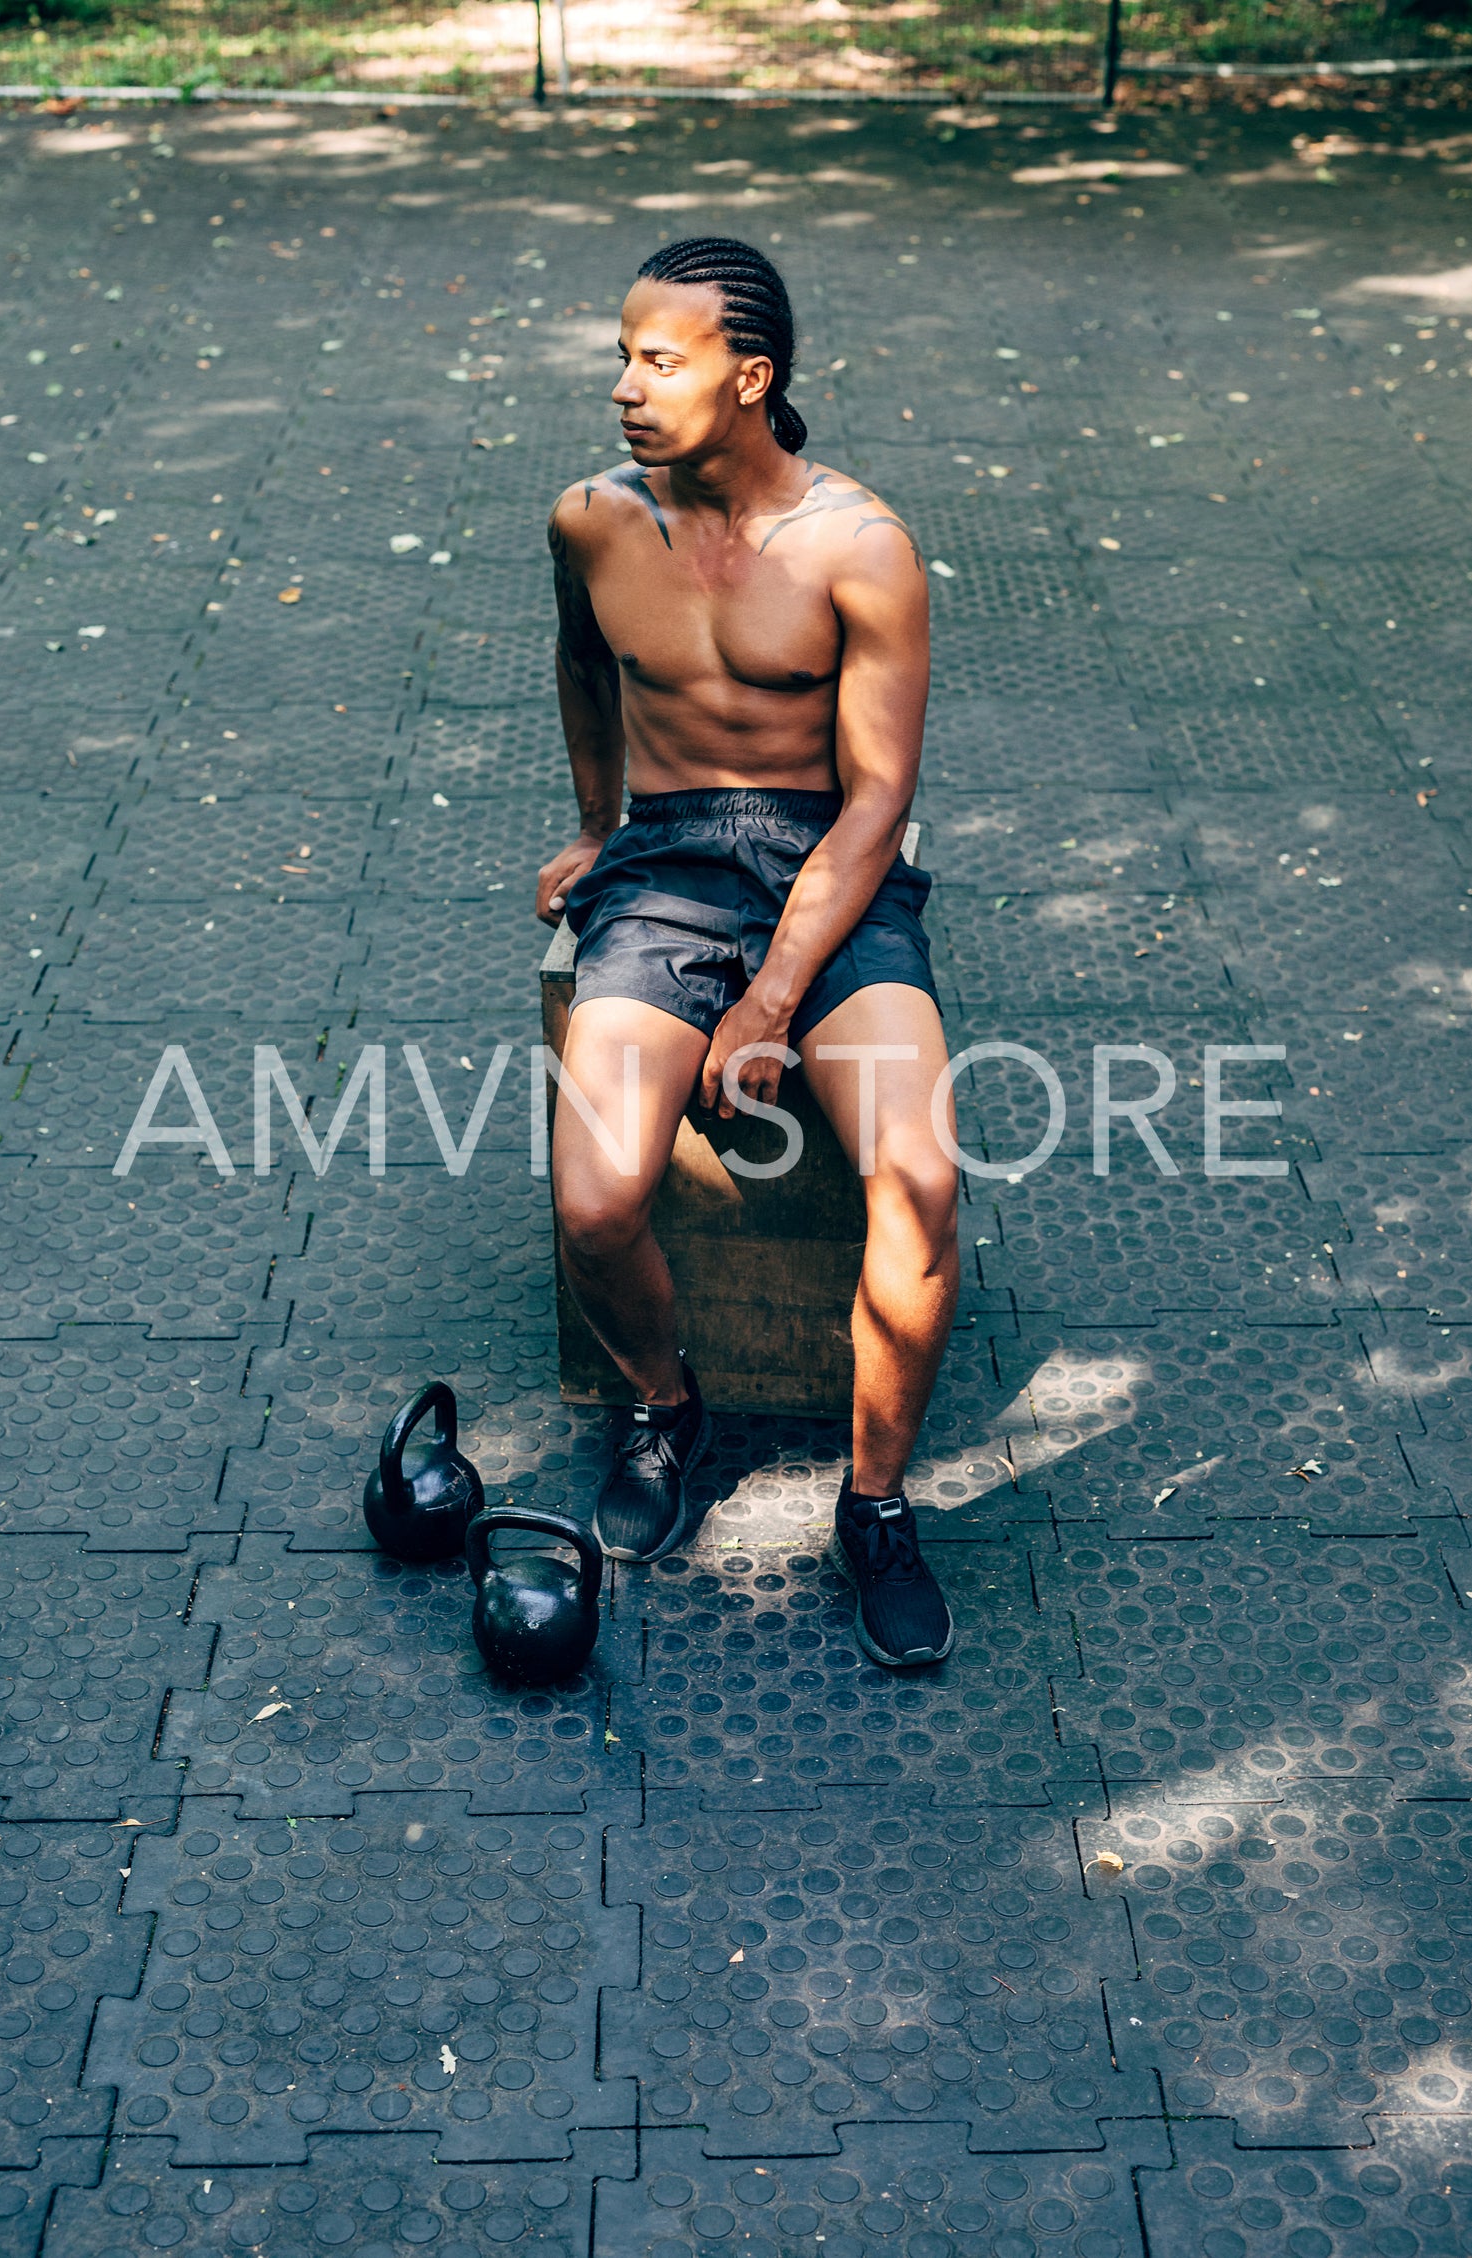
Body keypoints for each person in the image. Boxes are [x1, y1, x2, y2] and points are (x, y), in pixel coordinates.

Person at [535, 236, 959, 1669]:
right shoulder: (590, 523)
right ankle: (664, 1407)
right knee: (595, 1195)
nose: (626, 387)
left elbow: (877, 798)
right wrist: (599, 826)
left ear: (750, 377)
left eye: (660, 361)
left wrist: (771, 996)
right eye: (624, 354)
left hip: (828, 872)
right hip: (662, 862)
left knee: (919, 1174)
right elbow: (585, 668)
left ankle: (876, 1504)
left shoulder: (860, 545)